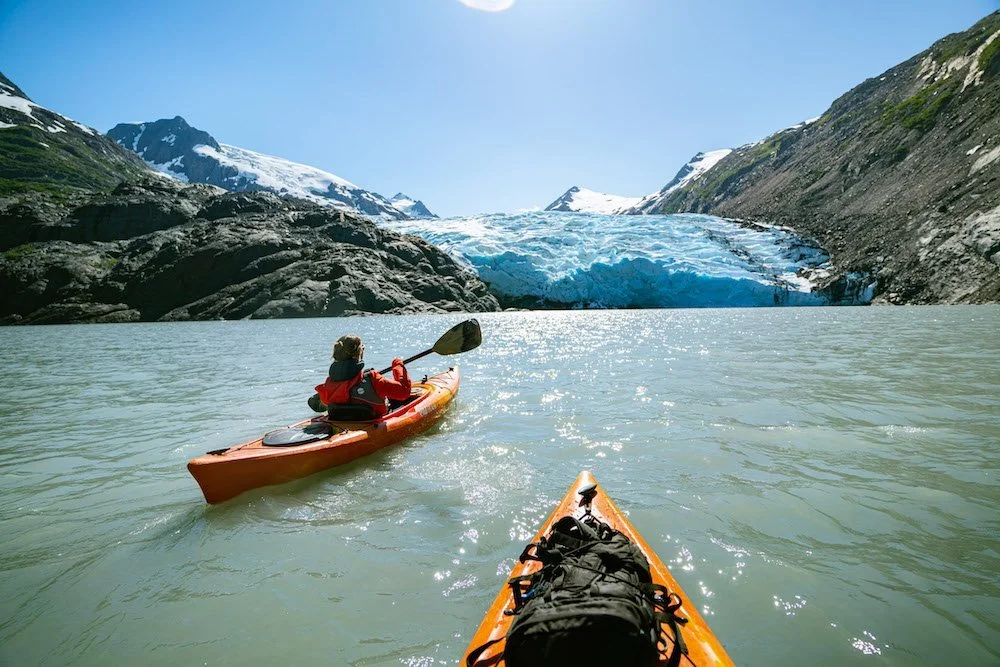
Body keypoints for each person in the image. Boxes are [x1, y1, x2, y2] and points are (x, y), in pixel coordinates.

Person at [308, 334, 411, 419]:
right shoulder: (372, 378)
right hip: (371, 420)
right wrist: (397, 365)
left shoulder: (329, 383)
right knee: (396, 401)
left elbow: (326, 402)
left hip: (342, 420)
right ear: (360, 353)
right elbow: (404, 392)